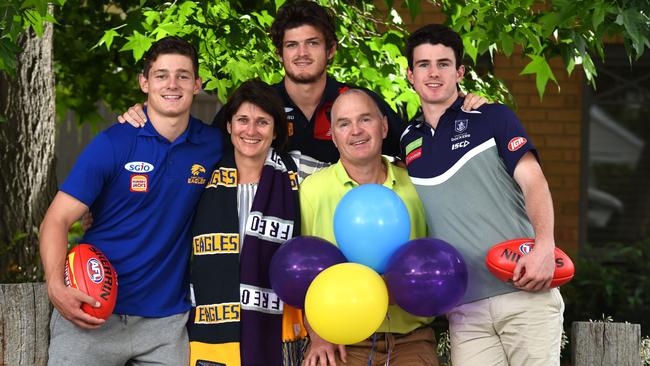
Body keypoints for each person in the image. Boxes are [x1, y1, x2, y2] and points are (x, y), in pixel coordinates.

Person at [118, 1, 486, 179]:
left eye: (312, 43)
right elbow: (200, 147)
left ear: (330, 50)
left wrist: (460, 107)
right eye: (292, 45)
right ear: (280, 52)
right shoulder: (256, 107)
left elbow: (416, 150)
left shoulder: (357, 105)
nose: (302, 54)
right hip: (273, 238)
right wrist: (146, 117)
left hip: (344, 237)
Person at [39, 36, 224, 365]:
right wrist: (55, 286)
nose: (172, 84)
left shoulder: (213, 146)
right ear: (144, 82)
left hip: (165, 323)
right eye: (161, 75)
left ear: (197, 85)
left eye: (183, 75)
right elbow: (57, 219)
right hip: (91, 312)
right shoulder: (114, 143)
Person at [400, 24, 564, 366]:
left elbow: (535, 182)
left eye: (443, 64)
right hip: (465, 309)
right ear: (409, 75)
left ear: (459, 71)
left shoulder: (492, 117)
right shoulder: (406, 139)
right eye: (423, 64)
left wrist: (545, 246)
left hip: (524, 291)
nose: (433, 73)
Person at [299, 89, 438, 366]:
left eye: (365, 119)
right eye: (344, 123)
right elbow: (301, 272)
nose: (356, 131)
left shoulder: (417, 187)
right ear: (333, 136)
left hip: (411, 340)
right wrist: (317, 332)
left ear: (384, 126)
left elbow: (434, 260)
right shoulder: (312, 191)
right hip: (340, 341)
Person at [187, 79, 306, 366]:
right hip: (210, 324)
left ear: (276, 129)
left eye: (262, 122)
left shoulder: (299, 175)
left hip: (277, 326)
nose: (251, 131)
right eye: (242, 120)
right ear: (228, 125)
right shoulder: (200, 177)